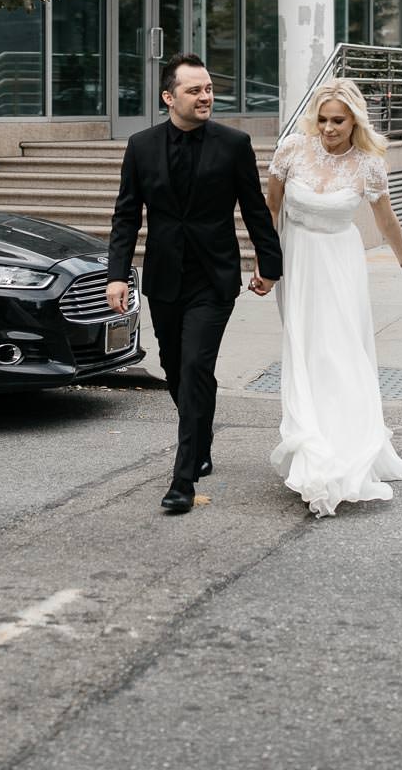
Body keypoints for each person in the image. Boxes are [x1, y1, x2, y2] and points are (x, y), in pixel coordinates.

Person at [107, 54, 282, 516]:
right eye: (194, 90)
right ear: (169, 97)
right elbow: (126, 215)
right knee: (176, 368)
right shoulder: (141, 146)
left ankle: (182, 479)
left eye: (208, 89)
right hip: (164, 277)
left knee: (196, 367)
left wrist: (269, 264)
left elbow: (255, 209)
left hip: (213, 277)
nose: (206, 97)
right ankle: (201, 438)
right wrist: (116, 274)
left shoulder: (234, 144)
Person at [264, 78, 402, 518]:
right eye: (322, 119)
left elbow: (386, 218)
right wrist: (265, 261)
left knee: (341, 352)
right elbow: (271, 207)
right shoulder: (292, 150)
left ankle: (344, 446)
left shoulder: (368, 165)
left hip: (339, 264)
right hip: (298, 260)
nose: (328, 128)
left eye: (337, 120)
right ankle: (311, 439)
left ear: (354, 120)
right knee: (306, 351)